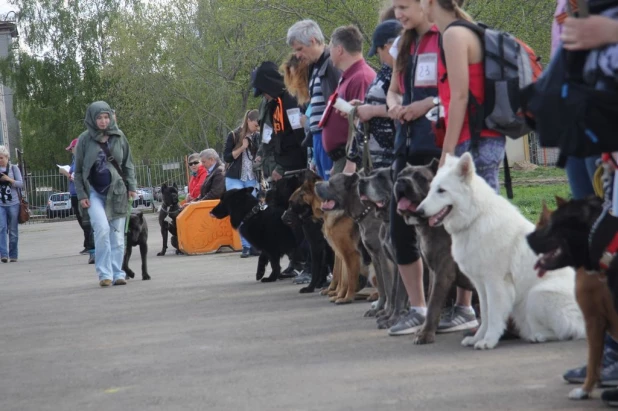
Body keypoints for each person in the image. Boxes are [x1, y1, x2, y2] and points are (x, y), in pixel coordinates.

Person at [384, 0, 444, 336]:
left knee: (449, 230)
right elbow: (394, 90)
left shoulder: (447, 37)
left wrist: (427, 104)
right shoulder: (403, 43)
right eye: (395, 8)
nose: (399, 14)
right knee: (399, 228)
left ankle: (462, 307)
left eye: (404, 6)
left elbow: (459, 92)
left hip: (437, 147)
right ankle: (418, 307)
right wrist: (394, 105)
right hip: (404, 147)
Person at [74, 101, 137, 287]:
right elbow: (78, 172)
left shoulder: (119, 136)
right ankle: (104, 274)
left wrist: (131, 186)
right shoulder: (84, 139)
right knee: (101, 230)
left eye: (106, 117)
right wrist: (82, 195)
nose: (103, 121)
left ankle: (118, 273)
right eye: (99, 117)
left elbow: (127, 164)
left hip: (117, 192)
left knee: (117, 236)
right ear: (92, 119)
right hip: (94, 193)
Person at [287, 19, 341, 180]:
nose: (297, 55)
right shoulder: (315, 68)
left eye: (300, 49)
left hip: (330, 140)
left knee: (333, 191)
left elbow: (338, 104)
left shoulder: (331, 64)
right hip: (318, 138)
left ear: (312, 41)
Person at [320, 25, 376, 175]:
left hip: (352, 161)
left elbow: (361, 125)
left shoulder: (361, 77)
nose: (329, 51)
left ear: (339, 50)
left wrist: (351, 163)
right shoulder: (348, 76)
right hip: (342, 159)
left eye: (330, 47)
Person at [346, 19, 402, 169]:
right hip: (375, 157)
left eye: (379, 51)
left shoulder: (402, 73)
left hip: (389, 157)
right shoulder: (387, 70)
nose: (380, 56)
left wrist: (372, 110)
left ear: (389, 47)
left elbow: (406, 106)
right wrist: (362, 106)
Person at [252, 61, 308, 181]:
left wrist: (283, 167)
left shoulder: (290, 99)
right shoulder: (274, 104)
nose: (265, 96)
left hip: (295, 168)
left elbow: (299, 135)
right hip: (282, 165)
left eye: (264, 92)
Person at [223, 109, 260, 257]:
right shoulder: (233, 135)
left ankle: (253, 245)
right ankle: (245, 246)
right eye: (255, 125)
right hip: (235, 178)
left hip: (252, 177)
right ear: (248, 121)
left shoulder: (258, 136)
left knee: (252, 212)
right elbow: (227, 157)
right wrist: (243, 147)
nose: (257, 128)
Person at [61, 138, 95, 263]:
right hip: (76, 194)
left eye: (72, 148)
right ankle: (89, 244)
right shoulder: (75, 160)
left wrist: (72, 175)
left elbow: (81, 175)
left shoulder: (83, 159)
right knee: (82, 220)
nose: (71, 151)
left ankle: (90, 246)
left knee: (86, 220)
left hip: (83, 194)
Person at [0, 145, 23, 263]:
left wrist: (9, 179)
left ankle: (13, 254)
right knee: (1, 228)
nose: (0, 160)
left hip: (13, 203)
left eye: (1, 158)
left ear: (7, 157)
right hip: (0, 204)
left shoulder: (14, 168)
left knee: (13, 230)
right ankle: (3, 254)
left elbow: (21, 184)